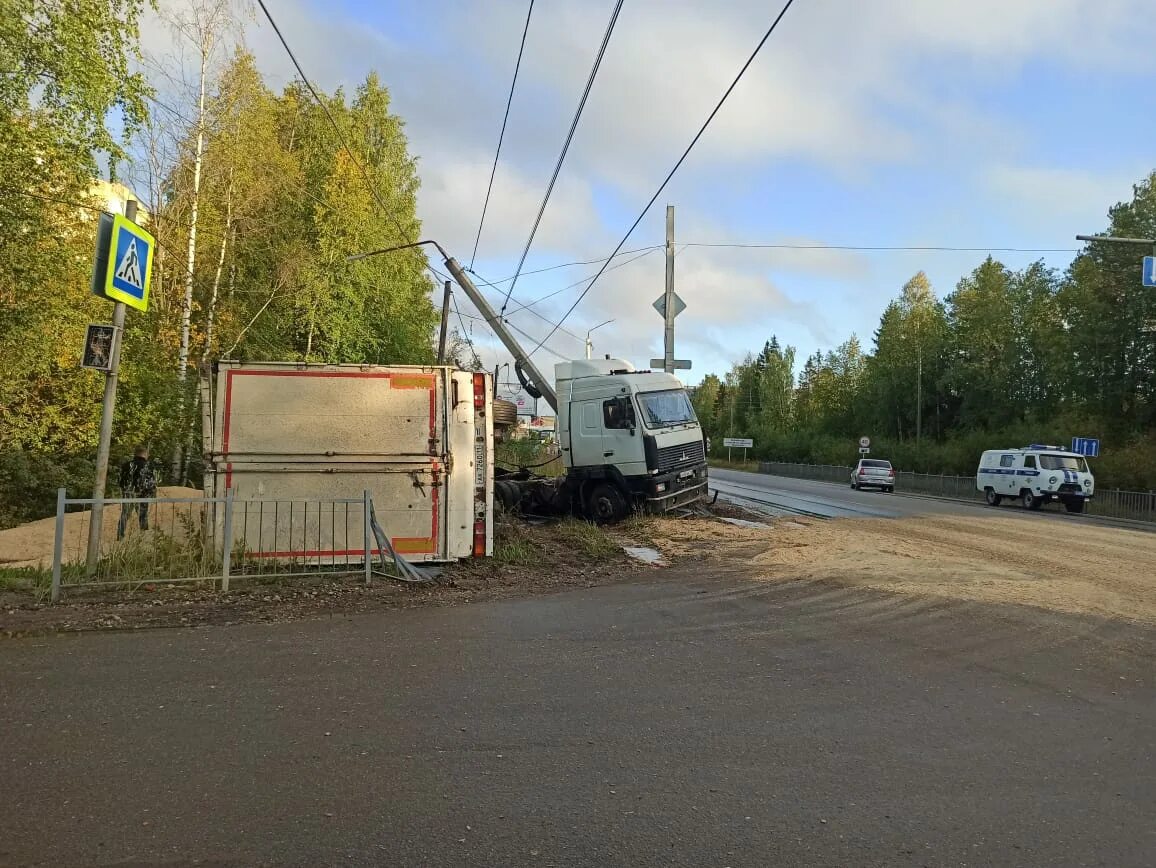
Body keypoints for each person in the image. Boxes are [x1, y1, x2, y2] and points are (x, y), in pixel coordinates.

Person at [117, 446, 157, 540]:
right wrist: (151, 492)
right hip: (142, 494)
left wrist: (124, 489)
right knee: (143, 514)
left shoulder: (126, 465)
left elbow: (119, 480)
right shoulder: (148, 466)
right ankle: (143, 536)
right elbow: (151, 482)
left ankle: (120, 535)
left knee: (125, 514)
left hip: (128, 493)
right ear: (145, 454)